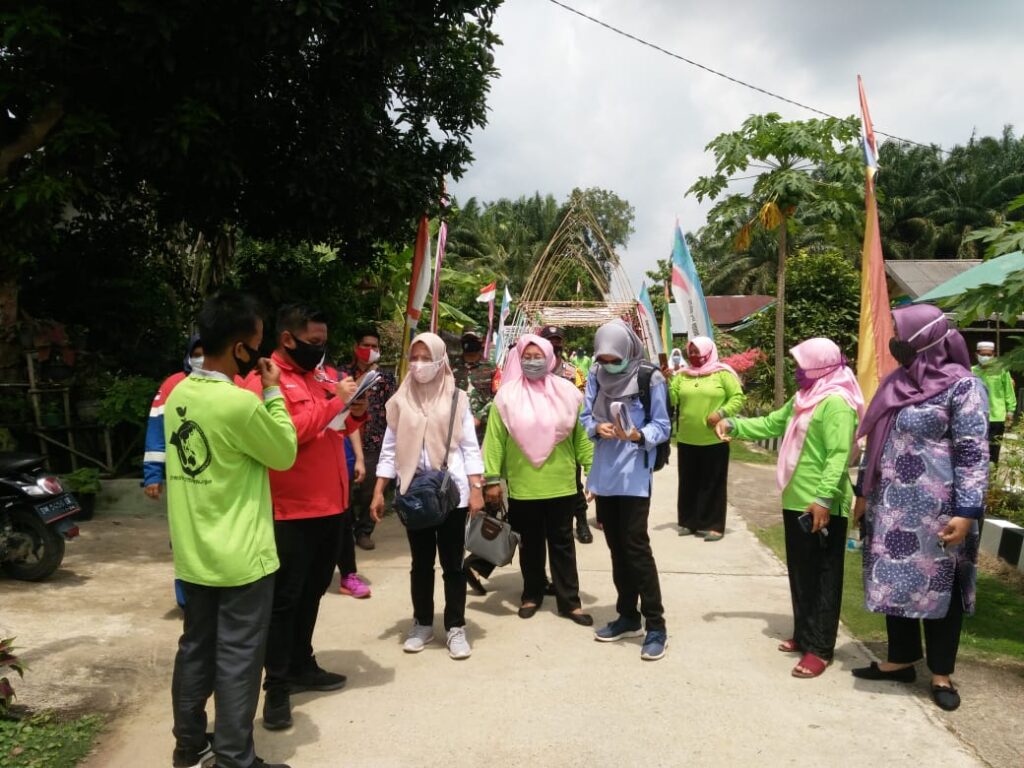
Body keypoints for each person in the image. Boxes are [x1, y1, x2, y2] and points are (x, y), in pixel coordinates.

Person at [166, 292, 296, 768]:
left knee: (195, 649)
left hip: (195, 553)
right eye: (257, 344)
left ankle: (189, 745)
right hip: (243, 558)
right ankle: (234, 758)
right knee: (239, 659)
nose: (260, 355)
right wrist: (273, 392)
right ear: (240, 349)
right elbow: (284, 452)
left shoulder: (180, 394)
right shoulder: (239, 404)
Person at [851, 305, 989, 712]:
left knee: (940, 585)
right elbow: (876, 443)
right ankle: (900, 660)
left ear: (924, 339)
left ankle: (941, 672)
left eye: (900, 332)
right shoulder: (897, 382)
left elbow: (973, 452)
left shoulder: (964, 388)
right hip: (891, 507)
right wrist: (863, 491)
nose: (895, 340)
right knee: (896, 579)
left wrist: (966, 511)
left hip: (939, 512)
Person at [244, 305, 367, 732]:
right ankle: (276, 686)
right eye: (313, 342)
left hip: (331, 505)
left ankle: (301, 664)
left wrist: (355, 409)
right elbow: (287, 434)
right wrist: (336, 402)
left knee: (313, 592)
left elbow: (334, 428)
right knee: (285, 600)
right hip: (290, 509)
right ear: (287, 339)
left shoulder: (321, 377)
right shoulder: (265, 380)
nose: (320, 349)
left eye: (323, 342)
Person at [717, 338, 863, 678]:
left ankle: (820, 648)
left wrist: (824, 499)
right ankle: (804, 633)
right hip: (795, 498)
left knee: (824, 576)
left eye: (802, 365)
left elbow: (838, 456)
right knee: (801, 572)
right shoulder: (804, 398)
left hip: (822, 504)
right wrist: (735, 424)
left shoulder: (836, 403)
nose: (798, 371)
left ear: (821, 366)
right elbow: (772, 424)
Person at [371, 333, 485, 659]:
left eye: (426, 357)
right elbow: (389, 449)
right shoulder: (401, 399)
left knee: (453, 564)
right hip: (414, 494)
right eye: (415, 357)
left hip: (451, 495)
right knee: (420, 564)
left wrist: (477, 489)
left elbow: (470, 447)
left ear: (440, 360)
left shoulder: (457, 398)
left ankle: (455, 626)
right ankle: (422, 623)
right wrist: (379, 490)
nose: (419, 364)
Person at [483, 333, 595, 625]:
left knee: (562, 544)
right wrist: (491, 479)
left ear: (550, 358)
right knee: (530, 545)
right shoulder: (506, 396)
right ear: (519, 359)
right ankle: (531, 594)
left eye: (538, 357)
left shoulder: (569, 393)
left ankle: (570, 602)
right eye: (527, 357)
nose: (533, 362)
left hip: (561, 482)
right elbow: (494, 440)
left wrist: (593, 471)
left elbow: (582, 436)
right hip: (523, 485)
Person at [582, 320, 671, 661]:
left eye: (614, 359)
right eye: (603, 359)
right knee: (616, 547)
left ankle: (656, 625)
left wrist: (638, 435)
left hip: (634, 472)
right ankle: (627, 615)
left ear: (628, 350)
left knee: (636, 547)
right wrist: (597, 427)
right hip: (605, 472)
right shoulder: (595, 374)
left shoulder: (650, 377)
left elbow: (662, 425)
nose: (609, 365)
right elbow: (585, 416)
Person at [143, 334, 204, 608]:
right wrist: (153, 475)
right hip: (185, 477)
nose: (202, 359)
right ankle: (187, 600)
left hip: (224, 478)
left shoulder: (235, 383)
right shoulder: (172, 385)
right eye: (197, 353)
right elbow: (157, 429)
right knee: (183, 537)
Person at [670, 337, 744, 541]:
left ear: (709, 352)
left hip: (714, 439)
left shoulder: (722, 374)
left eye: (698, 351)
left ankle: (713, 526)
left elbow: (738, 397)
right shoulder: (682, 375)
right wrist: (666, 381)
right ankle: (688, 522)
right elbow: (672, 398)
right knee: (687, 482)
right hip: (687, 438)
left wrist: (721, 413)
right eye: (691, 352)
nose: (694, 355)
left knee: (712, 483)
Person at [338, 327, 397, 551]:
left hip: (374, 440)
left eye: (375, 346)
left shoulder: (386, 378)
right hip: (345, 440)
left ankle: (364, 531)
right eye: (366, 345)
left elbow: (393, 408)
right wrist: (367, 376)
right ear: (356, 347)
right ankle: (345, 530)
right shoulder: (342, 374)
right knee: (345, 490)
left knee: (369, 490)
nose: (370, 349)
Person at [539, 325, 592, 544]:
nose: (554, 344)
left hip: (566, 436)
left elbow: (582, 402)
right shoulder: (532, 370)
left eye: (558, 340)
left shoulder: (573, 372)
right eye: (550, 340)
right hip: (537, 435)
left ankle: (581, 522)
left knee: (574, 482)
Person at [450, 329, 498, 445]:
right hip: (455, 426)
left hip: (481, 431)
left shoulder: (491, 368)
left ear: (480, 343)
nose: (470, 343)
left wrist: (479, 417)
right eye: (467, 340)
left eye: (473, 340)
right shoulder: (452, 366)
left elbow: (498, 397)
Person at [972, 340, 1015, 464]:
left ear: (994, 355)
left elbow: (1008, 391)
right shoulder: (971, 371)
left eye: (989, 354)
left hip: (997, 416)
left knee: (994, 449)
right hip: (977, 416)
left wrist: (1011, 410)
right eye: (983, 354)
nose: (985, 357)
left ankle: (993, 473)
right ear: (976, 354)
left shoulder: (1002, 370)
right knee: (977, 448)